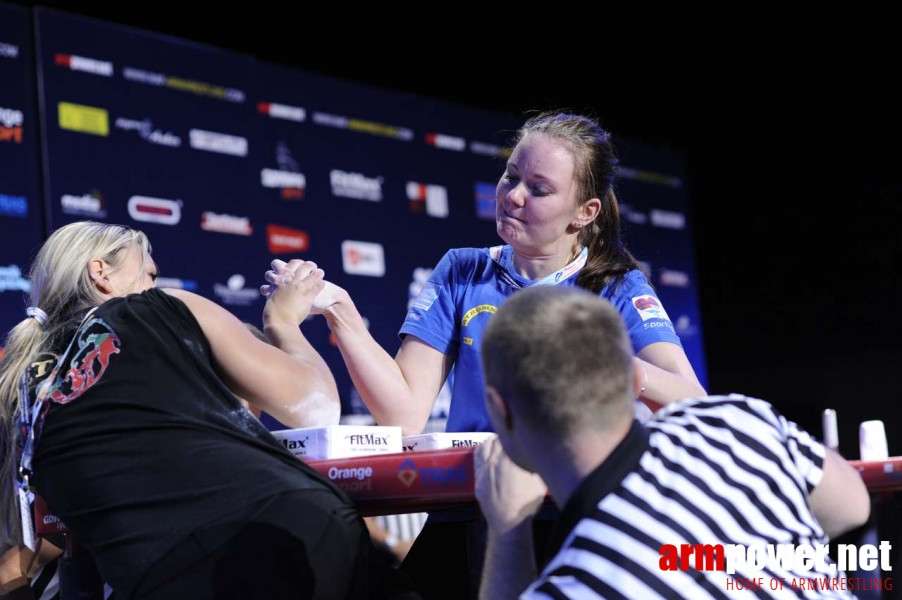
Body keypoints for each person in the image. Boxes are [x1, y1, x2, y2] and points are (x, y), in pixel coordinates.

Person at [262, 110, 707, 597]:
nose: (513, 196)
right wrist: (340, 312)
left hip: (579, 510)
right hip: (470, 505)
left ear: (586, 212)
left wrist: (615, 365)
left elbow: (692, 401)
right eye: (511, 176)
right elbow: (406, 414)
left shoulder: (618, 285)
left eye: (538, 189)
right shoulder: (462, 270)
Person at [0, 221, 415, 599]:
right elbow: (315, 407)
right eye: (150, 275)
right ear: (100, 273)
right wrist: (282, 322)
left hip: (162, 581)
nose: (154, 285)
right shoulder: (160, 309)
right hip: (283, 540)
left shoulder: (25, 385)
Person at [473, 285, 871, 599]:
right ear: (632, 380)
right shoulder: (731, 420)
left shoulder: (578, 586)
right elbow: (853, 506)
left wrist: (508, 530)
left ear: (500, 411)